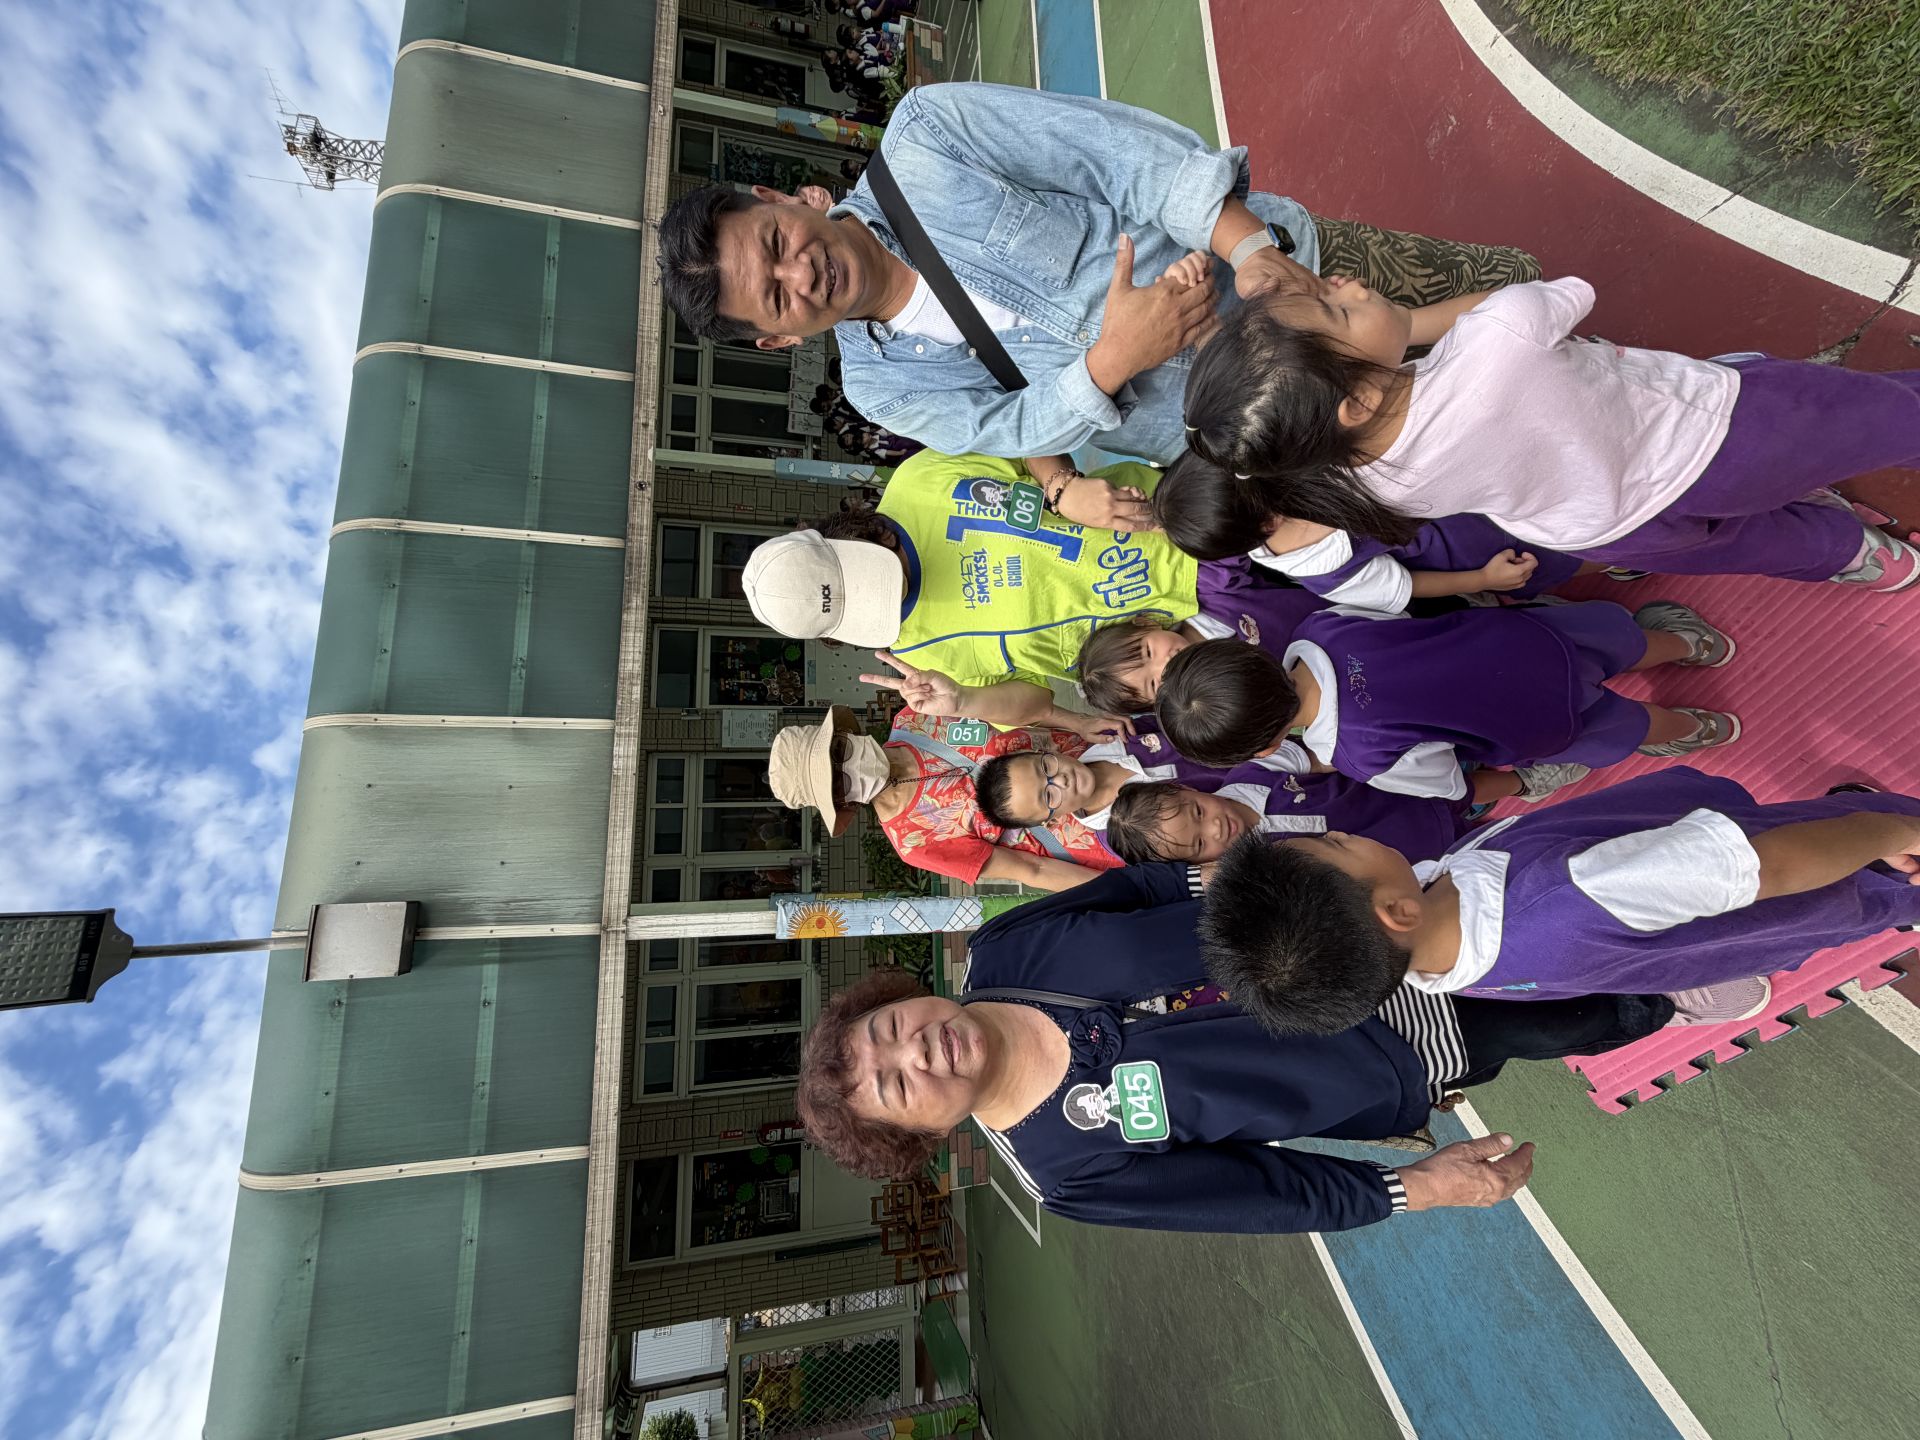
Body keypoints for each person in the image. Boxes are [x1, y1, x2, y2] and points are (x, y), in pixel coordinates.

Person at [793, 861, 1710, 1234]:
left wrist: (1301, 863)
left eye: (890, 1031)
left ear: (900, 999)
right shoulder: (1066, 1171)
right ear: (926, 1135)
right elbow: (1262, 1194)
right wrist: (1420, 1187)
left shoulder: (1005, 951)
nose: (918, 1052)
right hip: (1395, 1048)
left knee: (1553, 894)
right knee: (1578, 1010)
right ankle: (1676, 989)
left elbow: (1148, 887)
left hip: (1359, 915)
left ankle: (1720, 878)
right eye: (898, 1086)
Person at [655, 82, 1541, 463]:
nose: (801, 272)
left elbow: (1122, 160)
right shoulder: (884, 389)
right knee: (1494, 447)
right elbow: (1013, 429)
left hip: (1313, 280)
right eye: (777, 297)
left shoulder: (926, 138)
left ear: (778, 197)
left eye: (776, 242)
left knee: (1520, 301)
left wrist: (1252, 253)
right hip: (1267, 426)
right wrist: (1115, 358)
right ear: (776, 339)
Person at [1173, 273, 1920, 590]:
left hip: (1608, 528)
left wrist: (1371, 333)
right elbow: (1565, 293)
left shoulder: (1356, 479)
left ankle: (1858, 556)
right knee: (1869, 415)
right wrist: (1411, 322)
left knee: (1752, 545)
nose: (1349, 283)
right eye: (1338, 308)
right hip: (1708, 435)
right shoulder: (1502, 338)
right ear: (1359, 399)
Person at [1200, 770, 1920, 1038]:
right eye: (1337, 844)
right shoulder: (1572, 897)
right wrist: (1887, 832)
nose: (1346, 832)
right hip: (1832, 870)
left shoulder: (1436, 957)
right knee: (1871, 845)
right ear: (1396, 914)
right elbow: (1773, 865)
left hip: (1727, 882)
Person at [738, 450, 1318, 734]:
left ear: (844, 536)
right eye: (868, 608)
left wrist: (1060, 484)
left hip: (1190, 529)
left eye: (872, 577)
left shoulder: (920, 480)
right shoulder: (917, 655)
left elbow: (1027, 431)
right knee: (1337, 656)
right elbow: (1033, 702)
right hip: (1188, 650)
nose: (890, 595)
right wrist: (964, 701)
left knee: (1352, 543)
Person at [1154, 598, 1740, 786]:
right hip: (1524, 641)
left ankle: (1697, 729)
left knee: (1628, 728)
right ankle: (1693, 645)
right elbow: (1396, 617)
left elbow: (1444, 777)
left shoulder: (1359, 755)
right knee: (1621, 641)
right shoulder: (1320, 628)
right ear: (1248, 652)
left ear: (1265, 748)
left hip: (1533, 721)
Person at [767, 704, 1120, 892]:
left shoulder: (917, 716)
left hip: (1109, 752)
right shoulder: (914, 841)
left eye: (838, 752)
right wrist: (1124, 890)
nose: (850, 769)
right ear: (842, 804)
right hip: (1115, 834)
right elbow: (1032, 869)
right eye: (837, 784)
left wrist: (1077, 720)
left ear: (845, 733)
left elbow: (1022, 709)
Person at [1105, 773, 1472, 867]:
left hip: (1416, 797)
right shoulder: (1263, 866)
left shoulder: (1253, 773)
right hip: (1427, 864)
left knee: (1470, 788)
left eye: (1198, 812)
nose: (1215, 828)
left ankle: (1508, 788)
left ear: (1186, 787)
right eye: (1200, 844)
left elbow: (1324, 760)